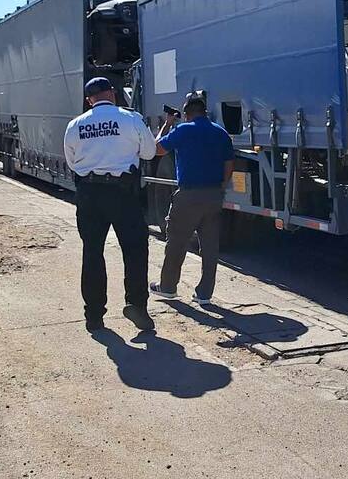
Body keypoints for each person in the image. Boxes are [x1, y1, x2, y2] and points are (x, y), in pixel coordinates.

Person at [63, 77, 157, 333]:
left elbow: (72, 163)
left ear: (88, 100)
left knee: (92, 252)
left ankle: (94, 316)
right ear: (112, 95)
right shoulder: (131, 118)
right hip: (123, 193)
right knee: (135, 249)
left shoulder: (75, 125)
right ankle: (136, 305)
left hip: (89, 194)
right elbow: (149, 153)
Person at [150, 91, 234, 306]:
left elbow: (156, 149)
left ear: (186, 114)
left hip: (188, 195)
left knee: (176, 242)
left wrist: (167, 124)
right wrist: (221, 188)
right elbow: (228, 165)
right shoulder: (220, 132)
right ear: (205, 112)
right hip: (214, 194)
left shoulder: (183, 129)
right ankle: (204, 294)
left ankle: (168, 287)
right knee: (209, 246)